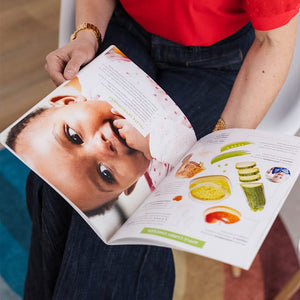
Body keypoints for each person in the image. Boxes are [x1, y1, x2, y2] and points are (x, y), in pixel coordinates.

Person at [24, 0, 299, 299]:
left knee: (126, 218)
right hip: (128, 32)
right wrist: (87, 33)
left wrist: (218, 142)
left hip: (217, 61)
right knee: (49, 186)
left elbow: (273, 42)